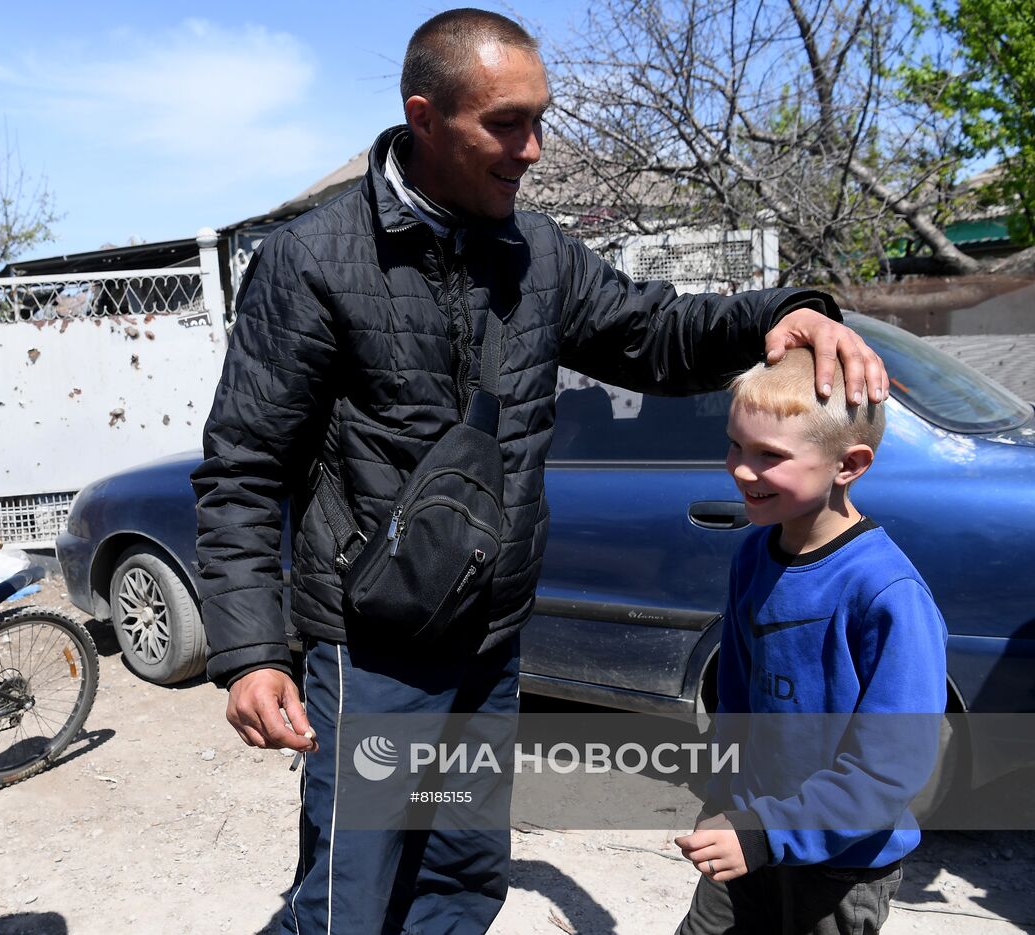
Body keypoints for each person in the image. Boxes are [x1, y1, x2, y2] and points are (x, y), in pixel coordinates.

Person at [192, 9, 889, 933]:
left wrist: (790, 309)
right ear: (425, 117)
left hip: (489, 641)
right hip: (377, 646)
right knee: (344, 902)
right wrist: (247, 651)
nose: (533, 148)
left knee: (459, 881)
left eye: (540, 118)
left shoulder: (538, 252)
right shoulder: (312, 261)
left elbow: (655, 332)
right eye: (507, 123)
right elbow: (244, 465)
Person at [673, 348, 947, 935]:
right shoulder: (753, 553)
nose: (741, 470)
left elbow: (888, 768)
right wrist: (725, 795)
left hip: (839, 866)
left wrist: (771, 834)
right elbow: (737, 702)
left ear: (848, 465)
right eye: (736, 446)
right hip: (748, 832)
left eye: (770, 456)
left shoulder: (886, 592)